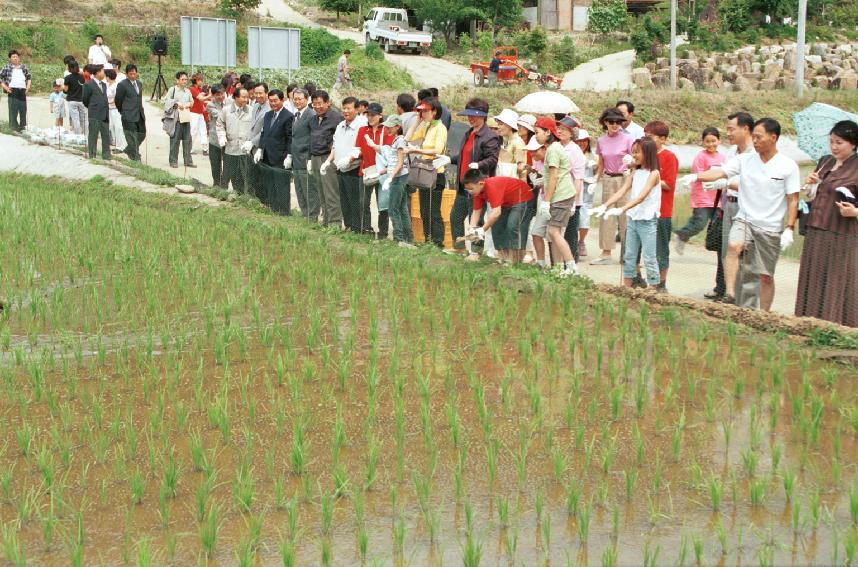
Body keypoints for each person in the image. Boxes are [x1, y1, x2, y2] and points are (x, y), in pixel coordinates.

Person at [687, 118, 800, 311]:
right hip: (745, 218)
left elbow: (793, 199)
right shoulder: (745, 160)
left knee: (764, 275)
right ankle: (730, 293)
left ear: (773, 138)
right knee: (733, 245)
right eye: (753, 137)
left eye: (759, 137)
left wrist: (789, 227)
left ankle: (763, 314)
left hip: (769, 226)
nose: (754, 141)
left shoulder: (787, 166)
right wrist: (696, 177)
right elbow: (721, 173)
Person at [795, 120, 858, 326]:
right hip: (816, 230)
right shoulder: (825, 161)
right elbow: (814, 196)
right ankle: (808, 324)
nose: (834, 147)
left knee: (835, 282)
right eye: (831, 142)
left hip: (842, 234)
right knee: (813, 278)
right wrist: (812, 184)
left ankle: (835, 327)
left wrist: (855, 212)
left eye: (839, 142)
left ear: (853, 144)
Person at [592, 138, 662, 288]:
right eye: (633, 151)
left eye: (637, 152)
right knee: (629, 256)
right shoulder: (634, 173)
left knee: (649, 257)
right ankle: (627, 288)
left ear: (648, 153)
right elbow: (622, 191)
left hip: (647, 220)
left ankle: (654, 289)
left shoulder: (654, 173)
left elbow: (641, 196)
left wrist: (622, 209)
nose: (633, 155)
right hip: (633, 219)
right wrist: (604, 205)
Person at [675, 127, 726, 296]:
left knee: (716, 229)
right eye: (707, 141)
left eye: (714, 140)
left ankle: (721, 279)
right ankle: (682, 234)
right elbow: (699, 175)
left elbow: (727, 174)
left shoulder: (723, 157)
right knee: (699, 222)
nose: (711, 144)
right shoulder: (701, 157)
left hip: (718, 198)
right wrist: (713, 176)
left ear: (719, 141)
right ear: (702, 142)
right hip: (703, 197)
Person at [450, 98, 501, 256]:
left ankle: (476, 253)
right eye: (469, 116)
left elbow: (493, 158)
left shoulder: (489, 136)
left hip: (477, 186)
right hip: (463, 185)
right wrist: (449, 159)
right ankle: (459, 249)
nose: (471, 119)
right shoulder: (468, 133)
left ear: (483, 116)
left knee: (476, 221)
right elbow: (464, 155)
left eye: (475, 116)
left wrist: (479, 164)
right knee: (455, 218)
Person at [530, 117, 578, 276]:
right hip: (560, 194)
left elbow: (555, 176)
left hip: (561, 195)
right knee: (552, 232)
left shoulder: (553, 150)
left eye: (537, 132)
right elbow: (553, 175)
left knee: (554, 232)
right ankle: (566, 267)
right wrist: (542, 180)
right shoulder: (553, 148)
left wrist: (546, 201)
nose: (535, 135)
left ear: (548, 132)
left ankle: (571, 267)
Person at [591, 108, 634, 265]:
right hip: (609, 178)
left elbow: (636, 160)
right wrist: (596, 178)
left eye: (618, 122)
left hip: (624, 179)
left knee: (625, 216)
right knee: (607, 214)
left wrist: (631, 163)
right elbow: (601, 161)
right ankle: (606, 252)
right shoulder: (601, 141)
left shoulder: (628, 140)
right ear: (605, 123)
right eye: (611, 122)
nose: (615, 125)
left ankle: (628, 254)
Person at [405, 98, 448, 247]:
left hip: (436, 173)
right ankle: (427, 239)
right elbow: (408, 138)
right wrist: (417, 121)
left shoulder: (440, 128)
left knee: (433, 210)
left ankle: (437, 242)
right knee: (424, 209)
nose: (423, 113)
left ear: (435, 112)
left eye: (426, 111)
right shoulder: (428, 126)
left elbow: (437, 150)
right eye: (421, 111)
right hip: (424, 173)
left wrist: (417, 150)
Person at [463, 172, 533, 264]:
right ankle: (504, 258)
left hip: (523, 197)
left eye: (471, 189)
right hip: (507, 202)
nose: (470, 192)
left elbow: (496, 213)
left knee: (513, 226)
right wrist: (471, 228)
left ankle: (516, 260)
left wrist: (482, 230)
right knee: (496, 226)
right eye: (467, 190)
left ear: (481, 184)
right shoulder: (478, 193)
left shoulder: (491, 186)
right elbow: (476, 212)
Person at [642, 120, 678, 291]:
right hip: (644, 209)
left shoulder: (669, 157)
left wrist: (651, 180)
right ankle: (649, 281)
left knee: (661, 249)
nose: (646, 140)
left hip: (662, 211)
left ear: (662, 139)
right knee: (646, 250)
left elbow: (670, 184)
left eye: (650, 137)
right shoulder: (643, 156)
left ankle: (661, 283)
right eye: (645, 137)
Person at [326, 97, 368, 233]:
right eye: (343, 108)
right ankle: (349, 226)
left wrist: (349, 159)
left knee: (355, 200)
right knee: (344, 199)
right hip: (340, 167)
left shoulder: (362, 126)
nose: (345, 111)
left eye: (349, 108)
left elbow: (361, 148)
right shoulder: (340, 125)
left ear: (357, 109)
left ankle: (358, 229)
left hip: (354, 168)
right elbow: (335, 146)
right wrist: (328, 160)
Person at [254, 89, 294, 214]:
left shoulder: (288, 116)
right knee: (270, 184)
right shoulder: (268, 115)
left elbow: (290, 138)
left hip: (280, 157)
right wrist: (260, 149)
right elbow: (264, 133)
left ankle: (283, 211)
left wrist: (289, 155)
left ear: (282, 100)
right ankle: (272, 208)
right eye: (270, 101)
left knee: (281, 185)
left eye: (275, 100)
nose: (273, 103)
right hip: (267, 155)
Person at [373, 115, 412, 244]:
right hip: (398, 176)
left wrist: (390, 178)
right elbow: (393, 163)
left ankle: (399, 238)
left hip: (399, 178)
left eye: (390, 126)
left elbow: (400, 163)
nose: (387, 129)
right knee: (402, 208)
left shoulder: (400, 141)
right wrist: (379, 173)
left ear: (397, 127)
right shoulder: (396, 140)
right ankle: (408, 239)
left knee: (393, 208)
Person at [355, 102, 392, 238]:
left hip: (382, 171)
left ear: (380, 116)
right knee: (363, 202)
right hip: (366, 170)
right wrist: (353, 155)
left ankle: (383, 231)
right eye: (368, 115)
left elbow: (389, 151)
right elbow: (358, 148)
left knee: (382, 203)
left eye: (373, 115)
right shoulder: (362, 130)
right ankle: (366, 229)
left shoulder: (386, 130)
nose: (370, 118)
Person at [308, 90, 344, 227]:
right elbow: (311, 139)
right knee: (321, 192)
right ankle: (326, 221)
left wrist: (330, 160)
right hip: (315, 157)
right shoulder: (313, 119)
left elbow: (338, 142)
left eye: (320, 103)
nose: (317, 107)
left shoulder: (336, 118)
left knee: (331, 193)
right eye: (314, 104)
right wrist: (310, 159)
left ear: (328, 103)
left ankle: (335, 223)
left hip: (328, 159)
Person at [557, 116, 586, 263]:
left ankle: (571, 264)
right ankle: (558, 264)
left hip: (571, 198)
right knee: (556, 232)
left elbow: (578, 178)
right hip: (558, 196)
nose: (559, 131)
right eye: (559, 128)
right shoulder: (557, 146)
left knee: (570, 234)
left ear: (571, 133)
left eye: (564, 129)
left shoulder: (575, 151)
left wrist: (573, 201)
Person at [216, 87, 253, 194]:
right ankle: (223, 193)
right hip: (230, 147)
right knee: (227, 172)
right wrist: (222, 136)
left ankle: (240, 193)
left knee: (242, 174)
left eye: (247, 97)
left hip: (244, 149)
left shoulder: (251, 110)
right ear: (235, 97)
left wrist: (250, 141)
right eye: (243, 97)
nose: (246, 99)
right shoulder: (226, 110)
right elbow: (220, 124)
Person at [289, 88, 318, 221]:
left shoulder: (311, 115)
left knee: (309, 190)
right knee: (299, 189)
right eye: (295, 99)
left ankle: (312, 216)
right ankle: (305, 214)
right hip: (296, 158)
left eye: (300, 99)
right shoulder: (296, 114)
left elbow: (313, 137)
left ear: (307, 99)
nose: (297, 101)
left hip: (305, 157)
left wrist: (310, 157)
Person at [114, 64, 145, 161]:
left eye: (134, 73)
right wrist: (123, 111)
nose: (133, 76)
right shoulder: (122, 85)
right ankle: (135, 157)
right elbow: (118, 100)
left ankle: (129, 149)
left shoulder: (139, 83)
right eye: (131, 74)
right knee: (131, 136)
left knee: (142, 134)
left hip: (139, 114)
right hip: (128, 114)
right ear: (127, 74)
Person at [575, 130, 598, 258]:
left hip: (587, 190)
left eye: (584, 141)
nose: (582, 143)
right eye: (579, 141)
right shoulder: (571, 152)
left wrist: (594, 179)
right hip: (574, 188)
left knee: (585, 219)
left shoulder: (593, 156)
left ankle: (581, 241)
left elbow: (599, 168)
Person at [166, 71, 195, 168]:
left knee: (187, 140)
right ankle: (173, 161)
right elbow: (166, 101)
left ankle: (188, 160)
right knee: (175, 140)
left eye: (186, 79)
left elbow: (192, 102)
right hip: (176, 118)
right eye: (182, 79)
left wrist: (188, 104)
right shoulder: (172, 90)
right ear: (177, 80)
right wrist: (177, 103)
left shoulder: (188, 91)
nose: (184, 81)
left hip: (186, 117)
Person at [82, 64, 110, 160]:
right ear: (97, 72)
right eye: (102, 71)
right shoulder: (88, 84)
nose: (104, 73)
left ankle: (106, 155)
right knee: (93, 135)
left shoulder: (104, 85)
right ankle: (92, 155)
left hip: (105, 114)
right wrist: (92, 107)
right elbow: (85, 100)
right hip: (94, 114)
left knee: (106, 136)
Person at [0, 50, 31, 132]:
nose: (15, 58)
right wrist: (6, 88)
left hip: (22, 91)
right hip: (12, 90)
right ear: (10, 59)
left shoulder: (23, 67)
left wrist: (28, 87)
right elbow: (1, 78)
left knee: (23, 109)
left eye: (16, 57)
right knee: (13, 109)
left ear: (19, 58)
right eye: (13, 57)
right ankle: (13, 128)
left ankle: (22, 127)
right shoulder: (7, 67)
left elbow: (29, 78)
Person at [205, 85, 226, 186]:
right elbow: (220, 116)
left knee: (227, 163)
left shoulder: (229, 103)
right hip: (214, 139)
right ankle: (217, 184)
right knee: (215, 163)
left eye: (222, 93)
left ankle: (224, 184)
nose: (221, 96)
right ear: (213, 95)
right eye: (218, 95)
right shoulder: (210, 105)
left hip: (227, 139)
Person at [104, 68, 126, 153]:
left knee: (118, 127)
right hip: (110, 109)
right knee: (112, 127)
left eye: (106, 76)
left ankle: (121, 146)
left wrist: (108, 102)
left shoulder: (116, 86)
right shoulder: (108, 85)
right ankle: (117, 144)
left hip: (116, 109)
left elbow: (117, 98)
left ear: (109, 77)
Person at [189, 72, 211, 156]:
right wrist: (209, 95)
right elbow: (201, 98)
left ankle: (205, 149)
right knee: (193, 130)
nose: (201, 81)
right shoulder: (192, 89)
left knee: (203, 130)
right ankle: (190, 148)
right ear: (195, 80)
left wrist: (207, 98)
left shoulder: (198, 89)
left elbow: (201, 99)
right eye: (199, 80)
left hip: (200, 112)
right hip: (193, 113)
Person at [63, 61, 87, 135]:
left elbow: (66, 90)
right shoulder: (82, 77)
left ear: (70, 68)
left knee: (75, 119)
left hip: (72, 101)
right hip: (81, 100)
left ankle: (78, 136)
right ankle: (85, 135)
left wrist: (63, 89)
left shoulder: (67, 78)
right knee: (83, 119)